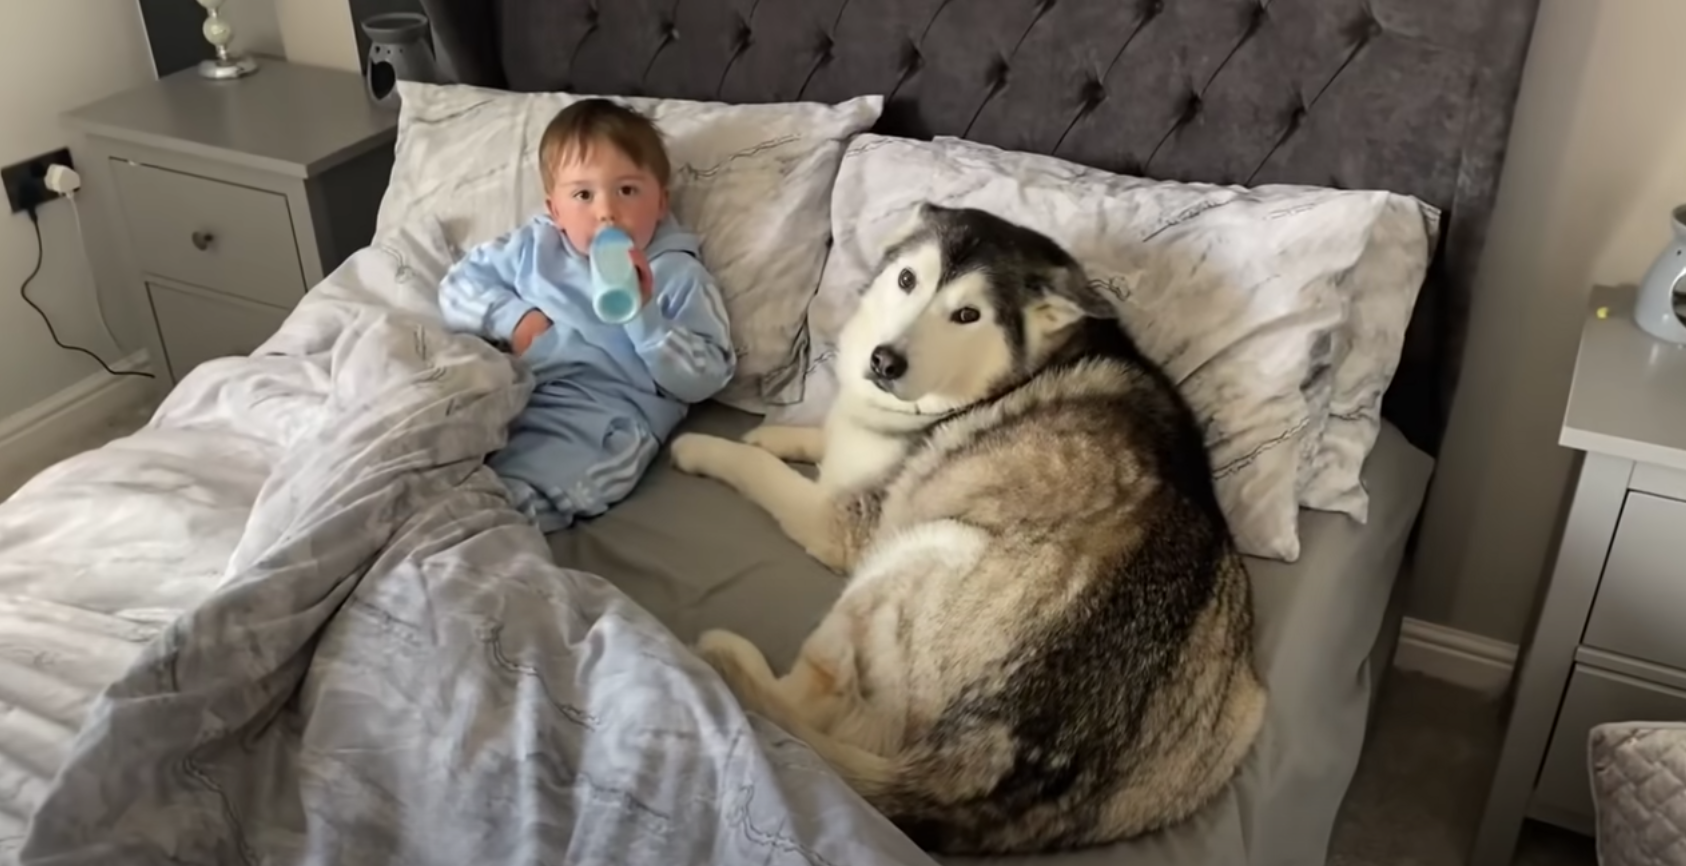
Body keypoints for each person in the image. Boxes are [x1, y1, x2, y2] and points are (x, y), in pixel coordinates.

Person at [438, 99, 736, 531]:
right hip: (512, 381)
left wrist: (646, 318)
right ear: (555, 211)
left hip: (601, 411)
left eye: (627, 190)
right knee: (434, 424)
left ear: (660, 203)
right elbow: (458, 285)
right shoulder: (532, 248)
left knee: (524, 489)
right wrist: (517, 319)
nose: (606, 211)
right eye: (583, 195)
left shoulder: (679, 275)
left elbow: (707, 376)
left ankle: (479, 528)